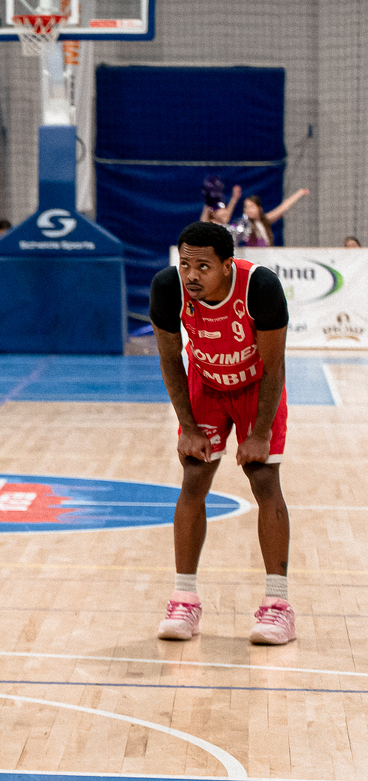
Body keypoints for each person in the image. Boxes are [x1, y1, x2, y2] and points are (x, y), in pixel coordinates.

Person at [149, 221, 295, 646]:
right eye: (185, 264)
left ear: (227, 265)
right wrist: (188, 427)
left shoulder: (260, 287)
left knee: (264, 480)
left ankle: (278, 606)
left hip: (256, 385)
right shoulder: (168, 288)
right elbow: (170, 360)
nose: (191, 275)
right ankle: (184, 599)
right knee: (194, 478)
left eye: (203, 266)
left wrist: (260, 433)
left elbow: (275, 367)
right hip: (207, 386)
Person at [235, 189, 310, 248]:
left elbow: (282, 208)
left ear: (259, 208)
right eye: (246, 207)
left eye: (251, 207)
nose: (248, 210)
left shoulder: (264, 221)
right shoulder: (245, 224)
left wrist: (299, 193)